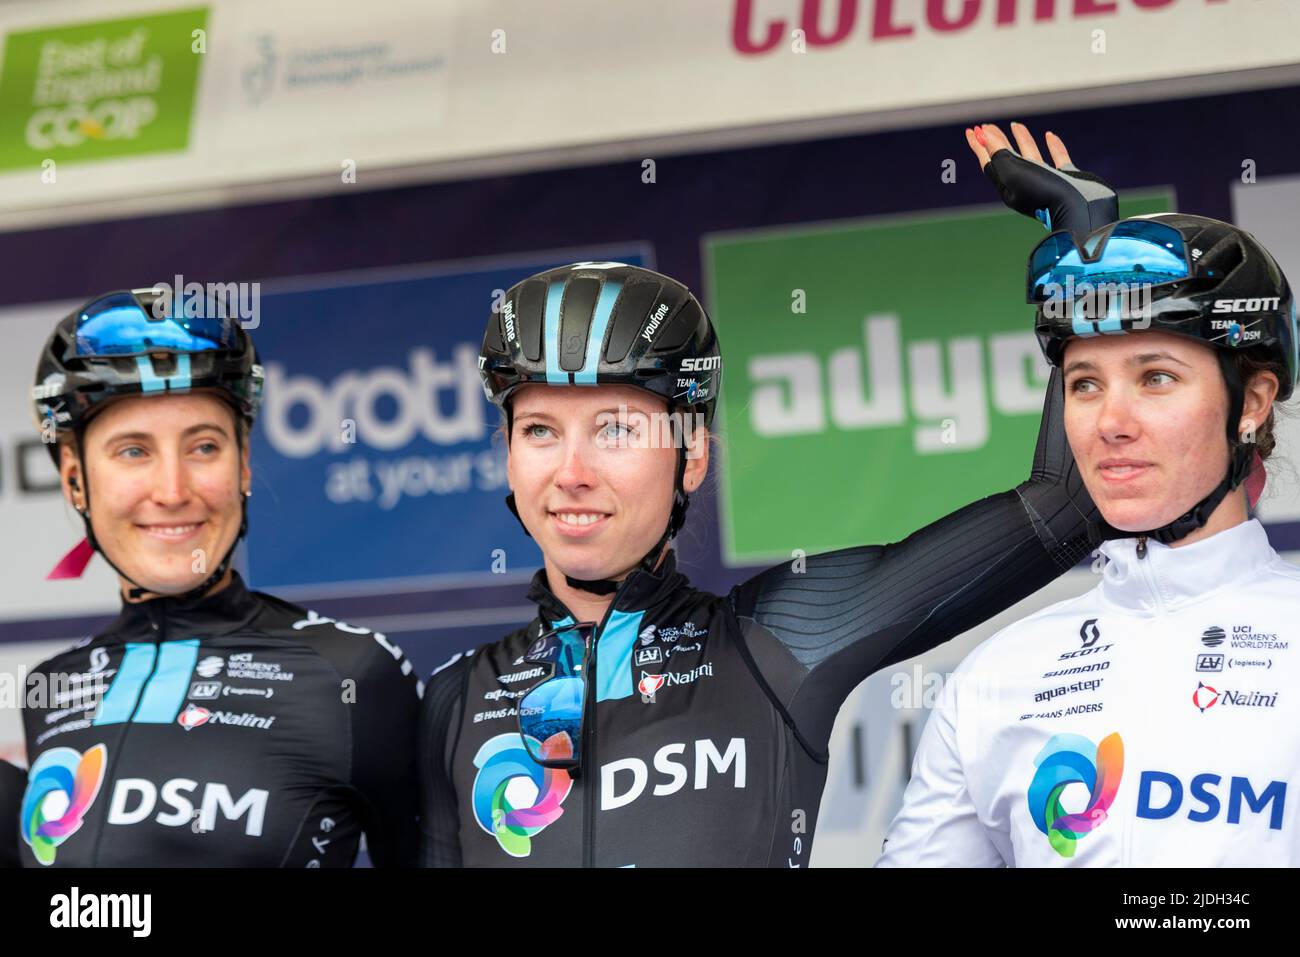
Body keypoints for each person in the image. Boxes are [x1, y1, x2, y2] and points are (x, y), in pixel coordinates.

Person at [415, 127, 1126, 866]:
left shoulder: (780, 636)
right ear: (506, 454)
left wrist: (1088, 250)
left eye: (616, 429)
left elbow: (1070, 503)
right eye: (538, 429)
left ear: (691, 458)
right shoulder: (456, 702)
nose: (572, 469)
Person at [877, 209, 1299, 866]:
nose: (1111, 421)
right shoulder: (997, 675)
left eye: (1156, 377)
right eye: (1085, 384)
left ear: (1251, 402)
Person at [19, 288, 421, 867]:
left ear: (244, 466)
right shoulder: (51, 689)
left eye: (203, 446)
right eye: (133, 451)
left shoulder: (352, 671)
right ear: (76, 481)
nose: (173, 491)